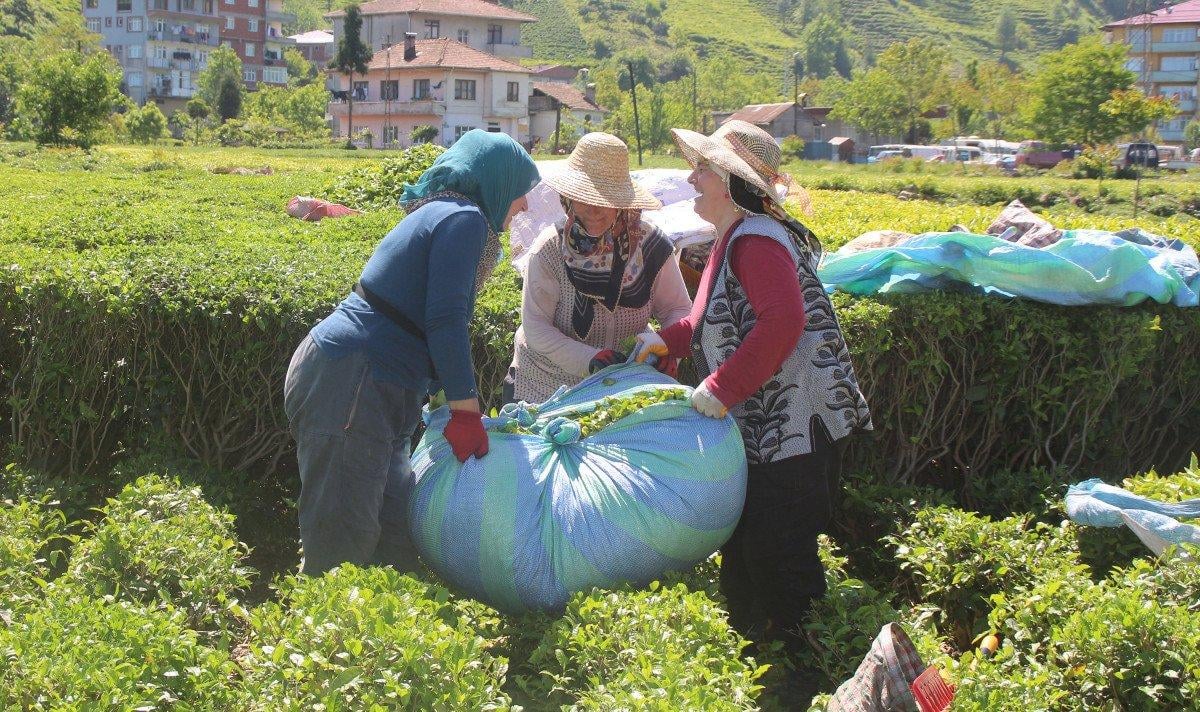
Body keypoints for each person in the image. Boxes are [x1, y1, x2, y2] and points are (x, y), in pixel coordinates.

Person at [635, 120, 872, 652]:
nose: (692, 177)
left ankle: (806, 672)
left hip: (793, 434)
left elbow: (782, 322)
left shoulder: (758, 241)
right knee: (747, 549)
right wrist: (666, 342)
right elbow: (708, 318)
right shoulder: (734, 237)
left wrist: (721, 387)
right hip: (769, 432)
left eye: (703, 169)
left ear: (730, 181)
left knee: (779, 555)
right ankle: (758, 663)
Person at [284, 130, 539, 576]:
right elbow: (445, 320)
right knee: (343, 545)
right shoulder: (464, 220)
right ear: (497, 181)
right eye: (521, 191)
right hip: (354, 382)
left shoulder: (445, 211)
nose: (525, 205)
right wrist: (465, 411)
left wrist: (443, 397)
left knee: (393, 535)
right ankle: (319, 641)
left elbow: (425, 316)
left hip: (368, 380)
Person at [506, 132, 691, 403]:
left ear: (621, 201)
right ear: (568, 199)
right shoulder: (549, 250)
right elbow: (536, 328)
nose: (593, 209)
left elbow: (677, 309)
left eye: (603, 198)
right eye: (583, 197)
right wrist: (588, 358)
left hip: (621, 385)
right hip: (547, 385)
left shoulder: (650, 247)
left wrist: (668, 346)